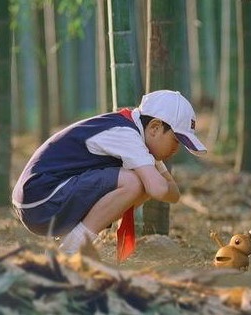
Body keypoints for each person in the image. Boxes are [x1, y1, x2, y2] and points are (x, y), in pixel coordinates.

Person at [11, 90, 207, 260]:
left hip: (43, 200)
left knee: (140, 183)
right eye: (176, 140)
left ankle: (69, 244)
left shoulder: (133, 132)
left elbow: (172, 195)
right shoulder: (125, 133)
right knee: (133, 182)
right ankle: (71, 248)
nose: (176, 149)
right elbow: (159, 189)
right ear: (155, 128)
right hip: (40, 198)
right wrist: (160, 170)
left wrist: (158, 166)